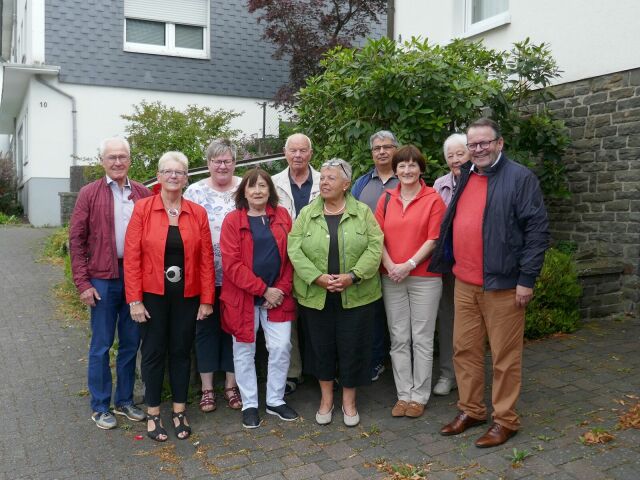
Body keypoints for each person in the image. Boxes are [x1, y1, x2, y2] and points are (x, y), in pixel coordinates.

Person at [430, 118, 549, 448]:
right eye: (473, 144)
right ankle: (471, 410)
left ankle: (505, 419)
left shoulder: (520, 178)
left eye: (485, 143)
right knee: (464, 351)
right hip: (465, 282)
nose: (478, 149)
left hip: (504, 285)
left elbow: (537, 232)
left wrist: (527, 279)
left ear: (500, 143)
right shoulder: (466, 175)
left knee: (504, 357)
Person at [124, 151, 214, 442]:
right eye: (168, 171)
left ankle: (178, 410)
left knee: (180, 352)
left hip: (187, 296)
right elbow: (132, 257)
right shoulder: (143, 209)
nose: (174, 176)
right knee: (152, 353)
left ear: (187, 178)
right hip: (151, 296)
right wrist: (134, 300)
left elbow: (206, 260)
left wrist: (207, 299)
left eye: (180, 172)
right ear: (159, 176)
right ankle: (153, 413)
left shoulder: (196, 212)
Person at [288, 158, 383, 427]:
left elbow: (375, 248)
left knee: (353, 348)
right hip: (316, 296)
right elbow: (294, 248)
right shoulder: (307, 213)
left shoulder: (363, 212)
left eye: (331, 178)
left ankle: (349, 401)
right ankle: (326, 399)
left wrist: (353, 276)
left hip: (356, 295)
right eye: (323, 178)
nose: (324, 182)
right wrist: (315, 277)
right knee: (321, 349)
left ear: (346, 184)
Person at [69, 136, 150, 430]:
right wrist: (83, 283)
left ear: (130, 160)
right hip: (101, 279)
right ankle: (101, 405)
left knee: (130, 343)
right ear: (102, 161)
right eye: (111, 157)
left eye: (122, 156)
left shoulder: (143, 193)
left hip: (134, 279)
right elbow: (76, 240)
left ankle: (125, 400)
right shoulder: (89, 194)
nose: (117, 162)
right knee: (101, 345)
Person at [219, 168, 298, 429]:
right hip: (243, 297)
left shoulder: (282, 216)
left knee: (281, 347)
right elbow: (231, 265)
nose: (257, 191)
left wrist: (280, 290)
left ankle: (275, 400)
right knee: (244, 350)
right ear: (244, 192)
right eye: (252, 187)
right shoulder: (233, 221)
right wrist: (263, 290)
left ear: (270, 190)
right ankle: (250, 403)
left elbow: (291, 257)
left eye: (263, 186)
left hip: (279, 296)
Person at [375, 145, 445, 419]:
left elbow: (434, 238)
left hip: (424, 278)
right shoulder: (386, 199)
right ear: (395, 170)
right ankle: (403, 394)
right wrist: (391, 265)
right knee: (399, 338)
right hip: (391, 276)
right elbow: (376, 236)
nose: (407, 170)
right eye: (401, 166)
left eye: (412, 165)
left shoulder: (433, 199)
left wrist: (409, 265)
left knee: (422, 338)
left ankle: (419, 396)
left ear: (421, 169)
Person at [184, 139, 242, 413]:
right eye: (217, 161)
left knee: (233, 330)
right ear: (208, 164)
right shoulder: (194, 192)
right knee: (205, 331)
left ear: (234, 163)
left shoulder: (245, 187)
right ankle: (207, 389)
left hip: (238, 277)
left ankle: (231, 385)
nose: (222, 165)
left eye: (227, 160)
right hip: (203, 276)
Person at [272, 133, 321, 395]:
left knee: (317, 317)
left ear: (310, 153)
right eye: (293, 151)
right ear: (285, 152)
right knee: (287, 317)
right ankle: (292, 372)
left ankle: (319, 369)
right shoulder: (273, 183)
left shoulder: (324, 180)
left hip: (319, 260)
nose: (298, 155)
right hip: (284, 260)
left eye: (303, 151)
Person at [351, 130, 399, 382]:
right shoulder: (361, 183)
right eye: (376, 148)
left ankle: (395, 362)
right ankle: (375, 359)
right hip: (367, 261)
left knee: (395, 316)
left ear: (396, 149)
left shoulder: (405, 178)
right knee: (372, 314)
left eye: (387, 147)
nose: (381, 151)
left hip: (398, 261)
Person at [431, 134, 470, 396]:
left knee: (472, 322)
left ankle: (470, 375)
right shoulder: (439, 185)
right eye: (451, 156)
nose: (456, 160)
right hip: (448, 264)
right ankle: (448, 373)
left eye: (460, 154)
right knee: (447, 320)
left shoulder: (480, 181)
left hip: (475, 264)